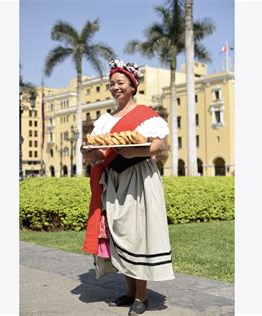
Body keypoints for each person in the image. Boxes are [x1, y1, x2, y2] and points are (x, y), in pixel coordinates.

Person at [80, 59, 174, 315]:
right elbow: (99, 154)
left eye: (120, 83)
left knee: (137, 233)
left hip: (138, 178)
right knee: (118, 232)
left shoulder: (146, 116)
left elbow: (159, 145)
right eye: (112, 84)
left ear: (132, 86)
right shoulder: (105, 120)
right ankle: (130, 291)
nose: (115, 87)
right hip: (114, 179)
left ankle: (141, 297)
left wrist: (135, 151)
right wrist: (87, 152)